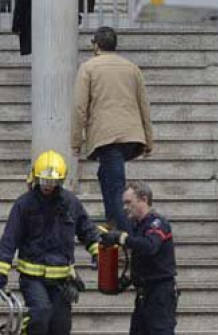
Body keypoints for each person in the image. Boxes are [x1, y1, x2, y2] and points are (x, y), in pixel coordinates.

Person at [0, 150, 101, 335]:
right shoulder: (24, 204)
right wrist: (0, 271)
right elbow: (9, 239)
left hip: (62, 279)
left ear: (61, 180)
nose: (47, 186)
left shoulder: (70, 203)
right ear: (35, 177)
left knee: (61, 326)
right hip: (33, 278)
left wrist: (98, 253)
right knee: (40, 315)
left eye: (52, 182)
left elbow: (87, 230)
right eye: (43, 181)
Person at [72, 26, 155, 233]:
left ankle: (125, 235)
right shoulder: (132, 68)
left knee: (115, 187)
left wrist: (75, 141)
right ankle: (113, 224)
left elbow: (79, 107)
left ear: (96, 45)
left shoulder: (89, 67)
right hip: (131, 136)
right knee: (106, 176)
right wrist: (149, 141)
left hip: (107, 137)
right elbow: (144, 105)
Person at [101, 181, 177, 335]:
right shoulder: (138, 226)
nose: (124, 207)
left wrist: (122, 238)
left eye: (129, 202)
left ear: (143, 199)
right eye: (124, 203)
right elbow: (142, 257)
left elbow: (150, 246)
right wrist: (128, 279)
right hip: (143, 294)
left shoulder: (157, 223)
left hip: (160, 294)